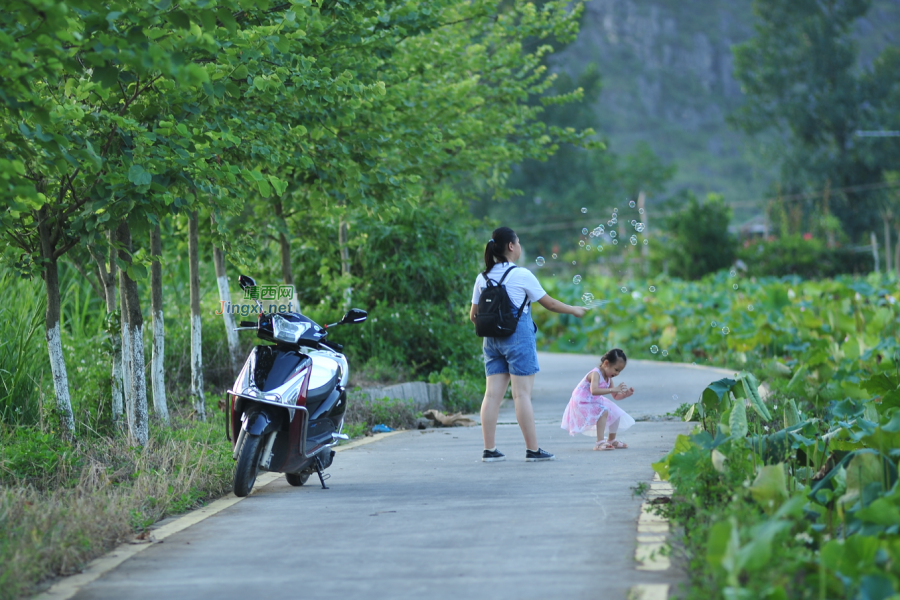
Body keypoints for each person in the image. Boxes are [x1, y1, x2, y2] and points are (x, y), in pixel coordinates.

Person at [470, 226, 587, 462]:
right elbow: (550, 304)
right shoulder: (521, 275)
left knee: (492, 396)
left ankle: (489, 449)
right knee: (521, 395)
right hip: (517, 339)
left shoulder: (482, 277)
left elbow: (473, 315)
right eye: (519, 242)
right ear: (511, 246)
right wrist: (574, 310)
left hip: (491, 341)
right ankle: (532, 450)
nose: (520, 246)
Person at [560, 348, 636, 450]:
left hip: (594, 400)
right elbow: (594, 390)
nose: (617, 373)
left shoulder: (608, 378)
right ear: (606, 363)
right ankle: (599, 443)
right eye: (616, 369)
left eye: (620, 371)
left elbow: (615, 396)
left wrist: (625, 395)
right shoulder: (595, 373)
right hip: (582, 401)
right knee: (603, 411)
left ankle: (611, 440)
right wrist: (613, 389)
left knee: (615, 411)